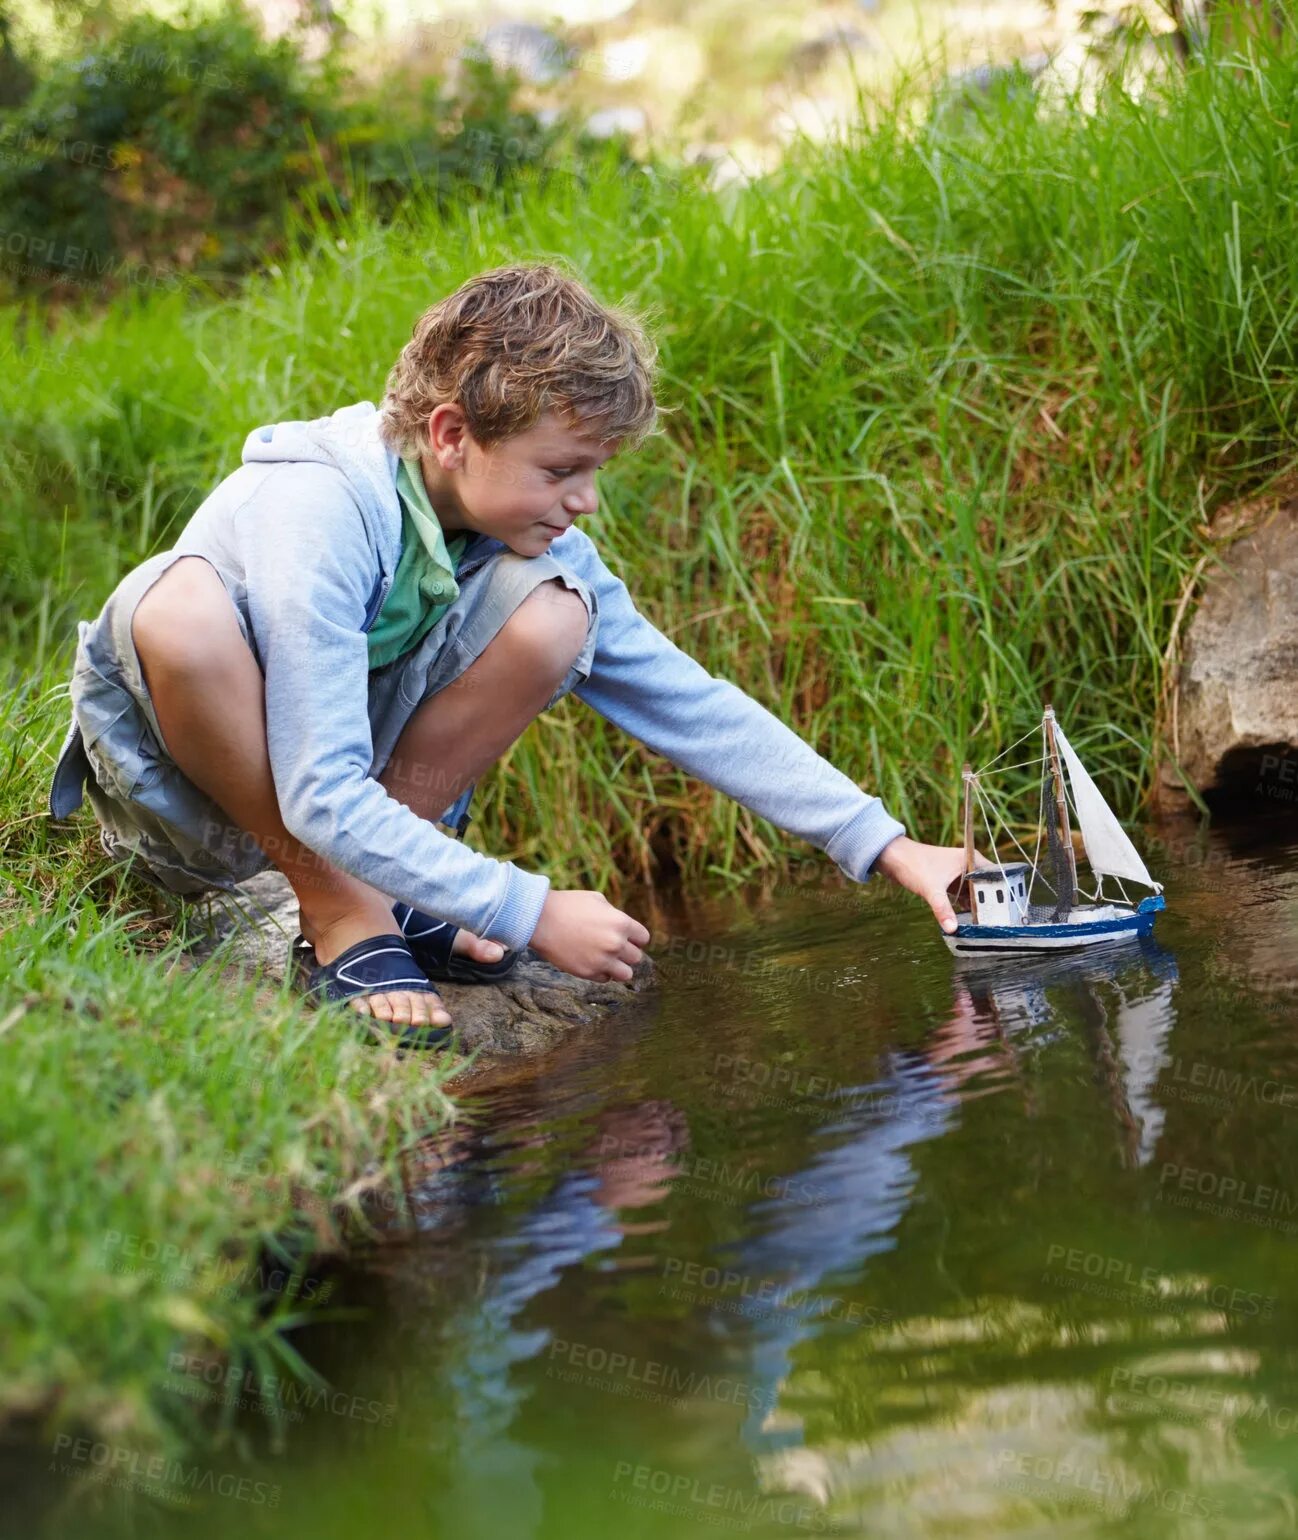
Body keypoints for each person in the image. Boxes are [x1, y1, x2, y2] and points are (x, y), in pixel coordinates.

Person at [47, 260, 966, 1045]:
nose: (587, 501)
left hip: (342, 801)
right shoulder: (317, 512)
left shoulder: (530, 537)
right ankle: (336, 908)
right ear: (451, 434)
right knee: (182, 612)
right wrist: (528, 909)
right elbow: (320, 790)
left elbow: (688, 699)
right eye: (562, 470)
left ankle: (385, 890)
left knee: (561, 613)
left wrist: (886, 844)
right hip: (200, 808)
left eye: (595, 471)